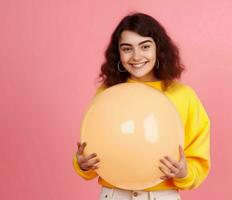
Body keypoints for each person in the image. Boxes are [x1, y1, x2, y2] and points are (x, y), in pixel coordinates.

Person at [73, 12, 211, 200]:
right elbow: (93, 147)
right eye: (127, 48)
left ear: (158, 49)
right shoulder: (107, 94)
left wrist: (184, 173)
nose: (136, 56)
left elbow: (198, 159)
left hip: (162, 196)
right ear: (118, 53)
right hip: (114, 195)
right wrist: (82, 164)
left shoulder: (183, 96)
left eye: (145, 46)